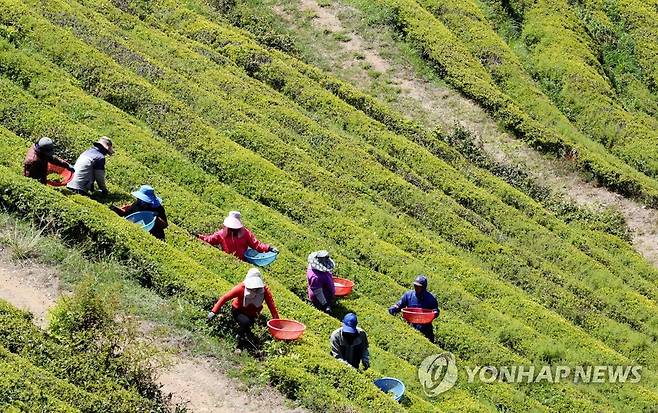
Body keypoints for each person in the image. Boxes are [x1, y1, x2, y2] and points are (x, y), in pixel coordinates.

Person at [207, 268, 279, 348]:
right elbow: (225, 297)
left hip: (253, 314)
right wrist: (214, 311)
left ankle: (244, 340)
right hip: (238, 310)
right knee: (245, 323)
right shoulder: (240, 288)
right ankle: (239, 347)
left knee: (248, 328)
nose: (254, 290)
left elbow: (271, 306)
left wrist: (277, 322)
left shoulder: (264, 291)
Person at [197, 211, 278, 260]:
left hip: (243, 261)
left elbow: (256, 245)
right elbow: (209, 240)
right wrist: (199, 237)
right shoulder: (221, 234)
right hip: (227, 260)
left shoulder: (245, 233)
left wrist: (269, 248)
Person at [388, 275, 439, 342]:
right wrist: (393, 308)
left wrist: (435, 313)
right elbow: (400, 304)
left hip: (425, 329)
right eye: (415, 286)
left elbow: (436, 310)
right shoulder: (409, 295)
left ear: (423, 288)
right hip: (411, 327)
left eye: (418, 287)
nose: (416, 288)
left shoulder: (431, 299)